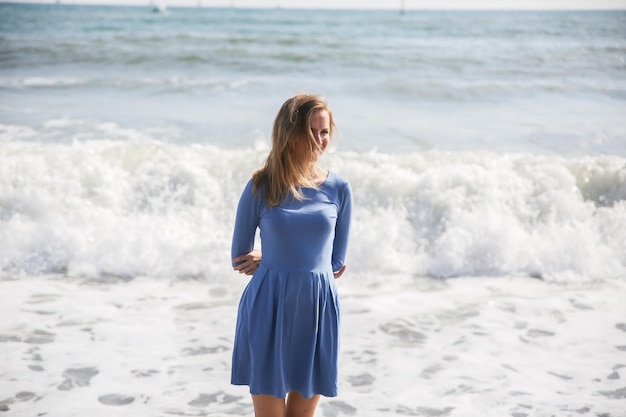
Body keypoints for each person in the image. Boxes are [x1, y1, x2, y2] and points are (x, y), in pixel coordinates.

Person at [230, 93, 353, 417]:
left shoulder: (339, 188)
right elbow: (238, 256)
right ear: (288, 133)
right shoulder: (262, 185)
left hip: (317, 310)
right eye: (309, 131)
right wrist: (270, 258)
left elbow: (336, 262)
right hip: (269, 306)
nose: (318, 139)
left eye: (324, 131)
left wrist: (280, 257)